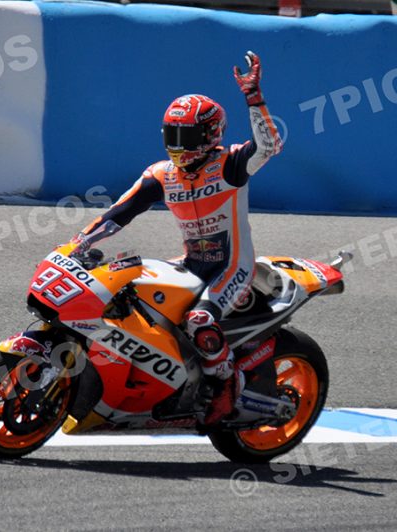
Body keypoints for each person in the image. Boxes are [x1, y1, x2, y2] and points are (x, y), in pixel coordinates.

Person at [70, 51, 283, 425]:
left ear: (209, 135)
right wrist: (79, 244)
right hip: (190, 263)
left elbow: (268, 147)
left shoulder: (230, 165)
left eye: (186, 136)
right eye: (172, 135)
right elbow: (119, 213)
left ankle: (225, 385)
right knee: (129, 290)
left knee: (200, 318)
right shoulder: (162, 175)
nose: (178, 144)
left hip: (231, 265)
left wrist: (254, 98)